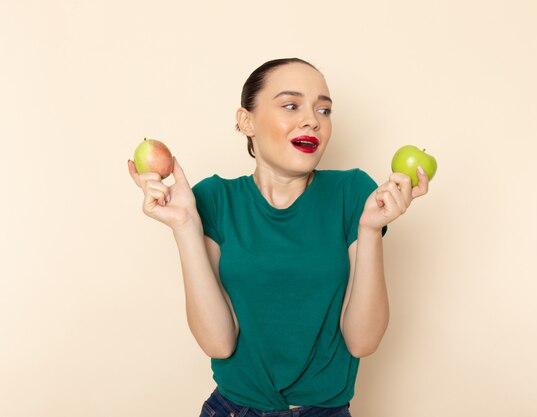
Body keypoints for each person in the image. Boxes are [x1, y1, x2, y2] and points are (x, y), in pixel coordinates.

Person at [128, 57, 429, 417]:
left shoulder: (353, 193)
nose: (312, 120)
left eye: (324, 110)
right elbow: (219, 344)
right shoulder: (213, 200)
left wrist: (369, 230)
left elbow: (363, 341)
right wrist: (185, 227)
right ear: (247, 121)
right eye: (291, 105)